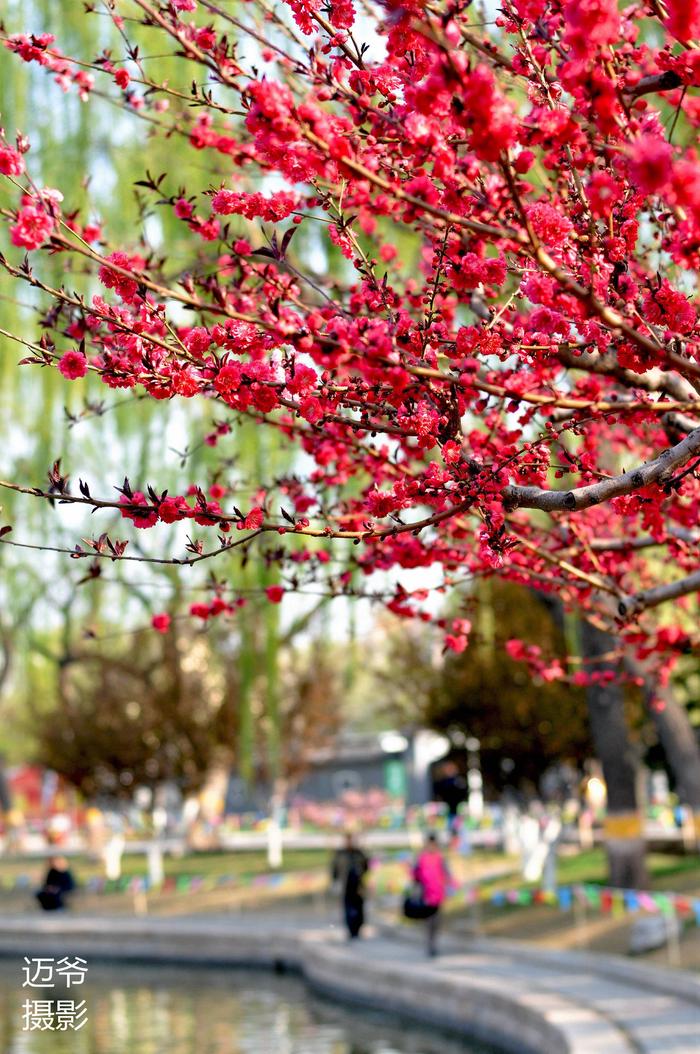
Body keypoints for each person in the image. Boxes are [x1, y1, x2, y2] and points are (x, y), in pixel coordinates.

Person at [413, 833, 451, 957]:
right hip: (426, 895)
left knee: (436, 921)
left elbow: (446, 874)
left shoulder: (440, 858)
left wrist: (451, 885)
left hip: (438, 895)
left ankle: (433, 944)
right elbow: (415, 875)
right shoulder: (421, 858)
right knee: (429, 921)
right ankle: (430, 945)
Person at [331, 832, 369, 939]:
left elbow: (366, 866)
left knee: (359, 909)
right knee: (348, 909)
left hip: (358, 886)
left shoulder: (359, 853)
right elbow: (335, 868)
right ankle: (351, 930)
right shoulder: (340, 854)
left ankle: (358, 929)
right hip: (346, 886)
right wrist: (335, 881)